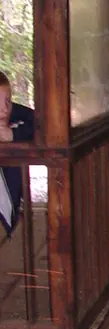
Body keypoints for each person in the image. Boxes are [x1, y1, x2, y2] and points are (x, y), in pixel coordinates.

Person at [0, 70, 35, 236]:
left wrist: (13, 135)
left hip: (6, 204)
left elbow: (40, 122)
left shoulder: (15, 116)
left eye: (7, 101)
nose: (4, 110)